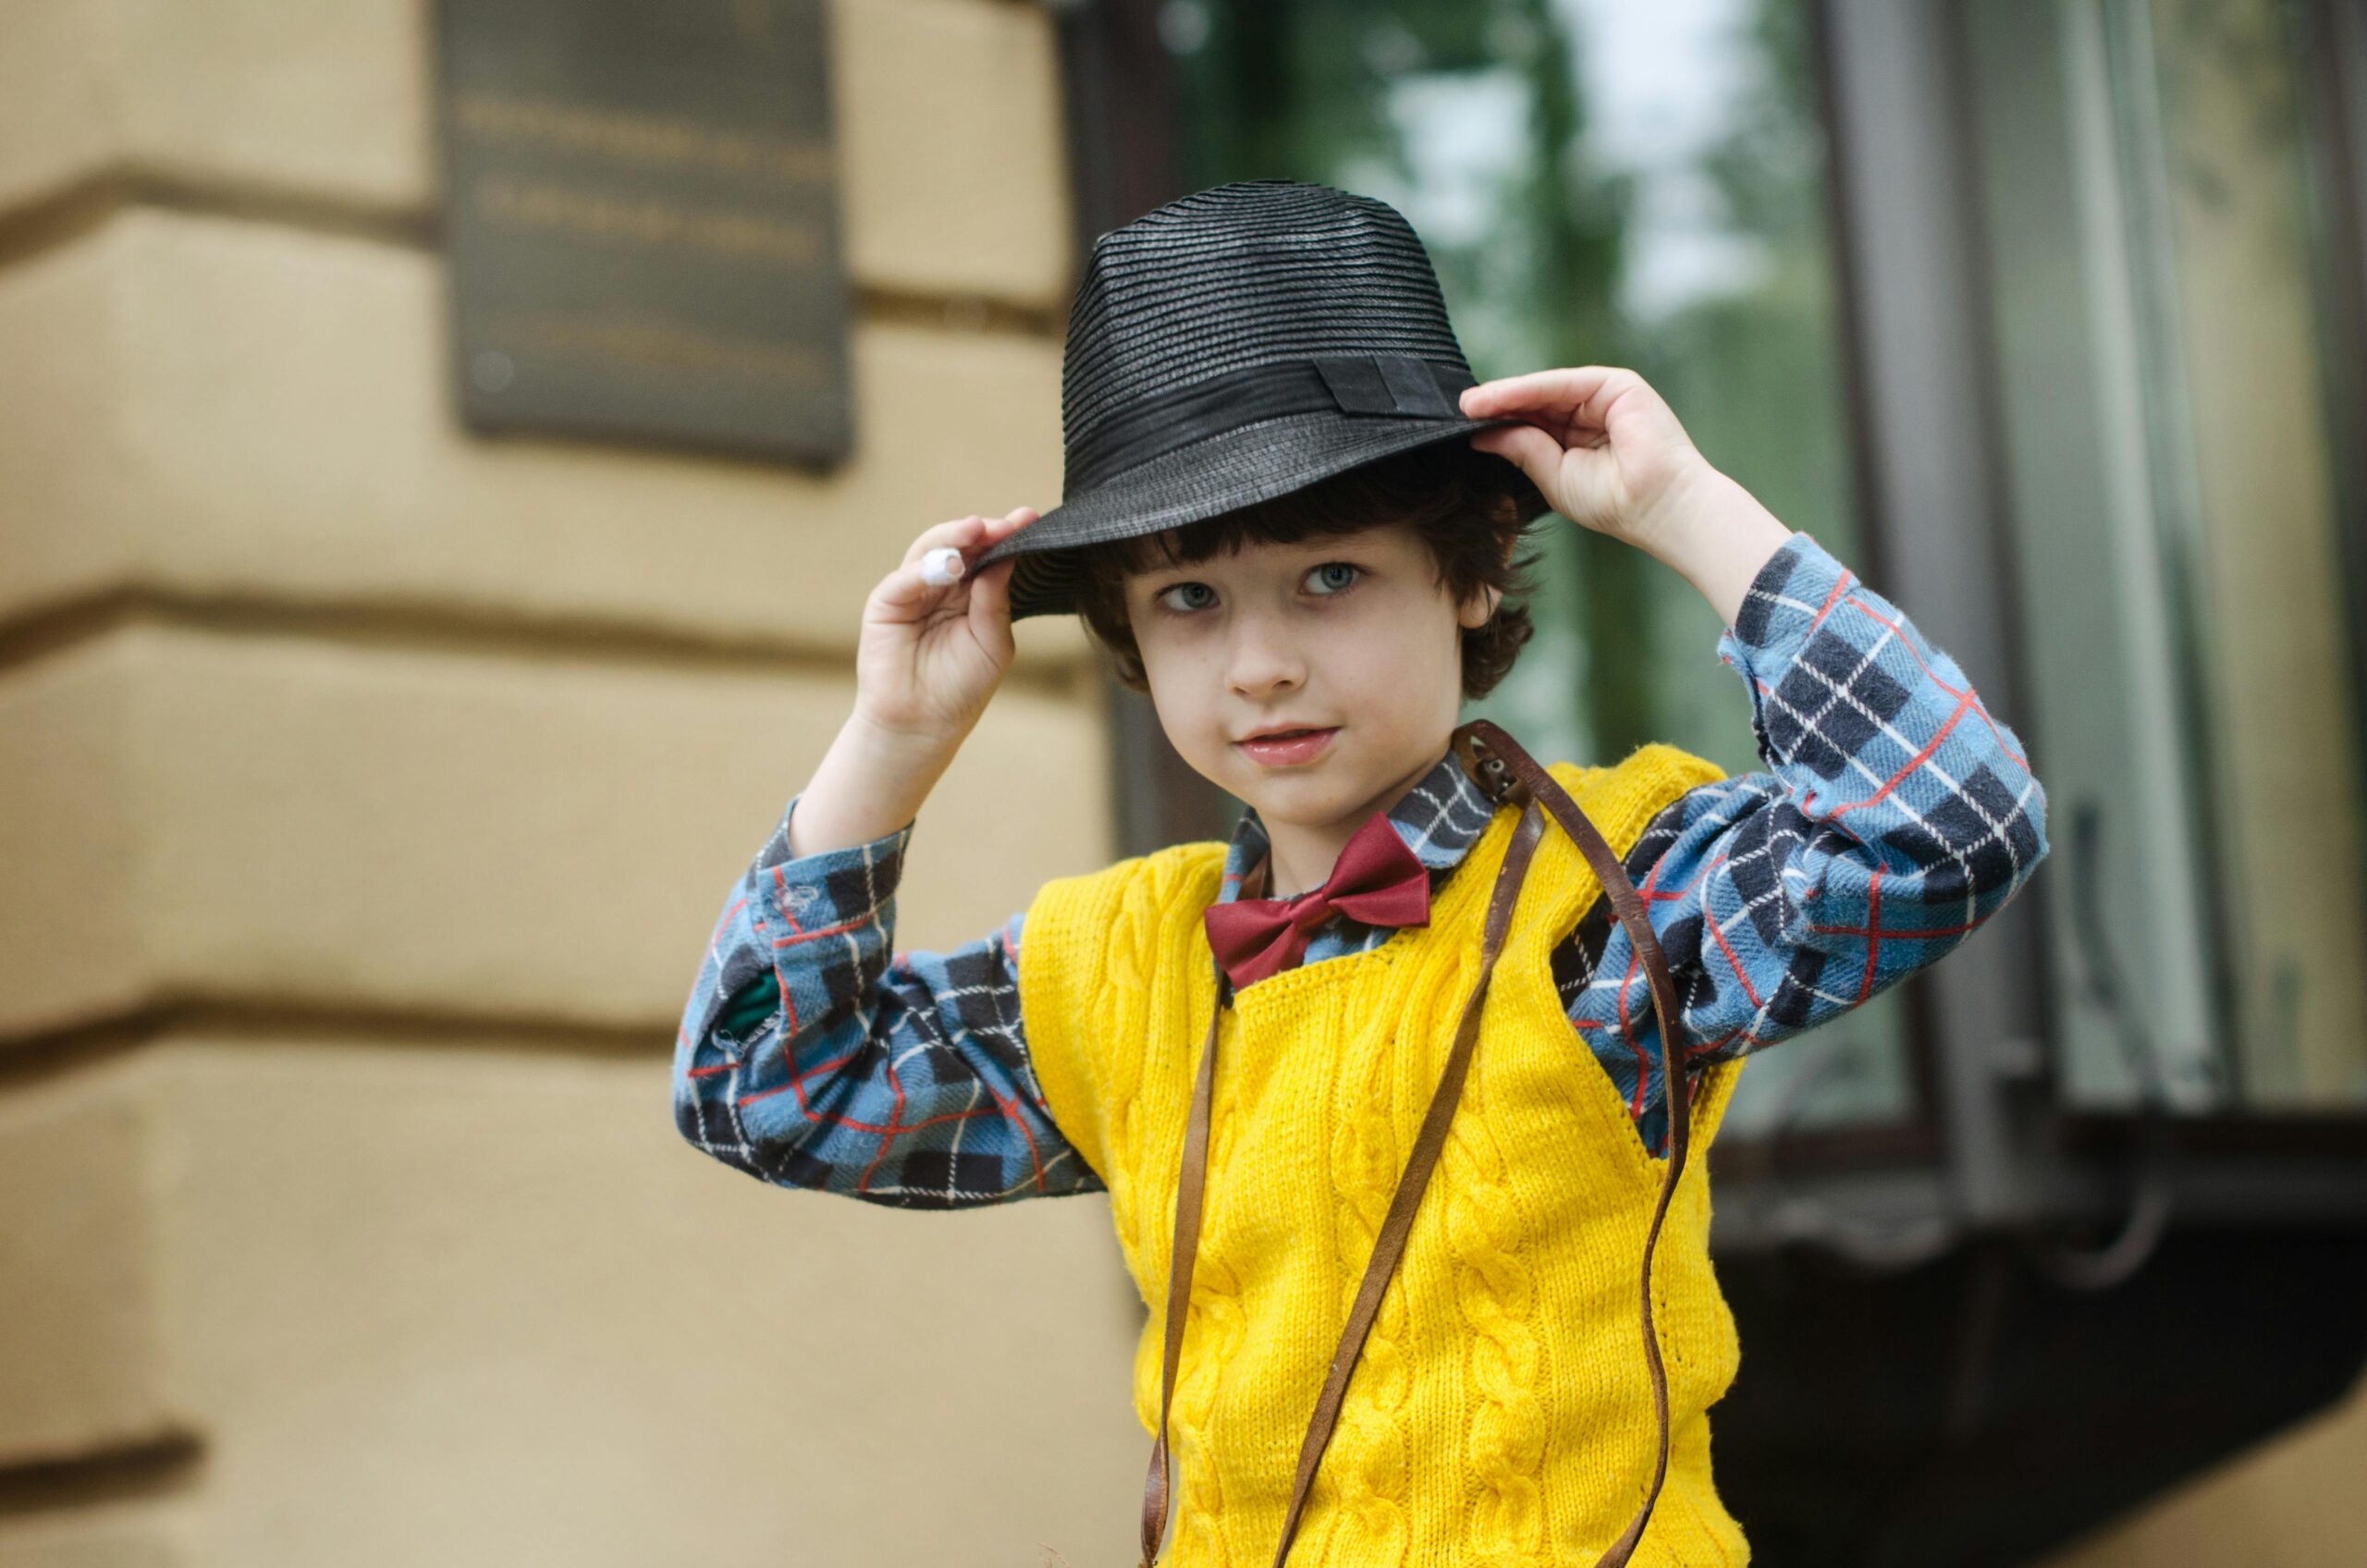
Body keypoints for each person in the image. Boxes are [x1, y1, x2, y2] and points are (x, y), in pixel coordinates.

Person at [671, 181, 2047, 1567]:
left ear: (1471, 569)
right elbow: (765, 1086)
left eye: (1329, 577)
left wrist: (1688, 510)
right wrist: (895, 739)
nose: (1260, 663)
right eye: (1189, 600)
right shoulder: (1119, 971)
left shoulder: (1609, 904)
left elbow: (1947, 821)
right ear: (1130, 640)